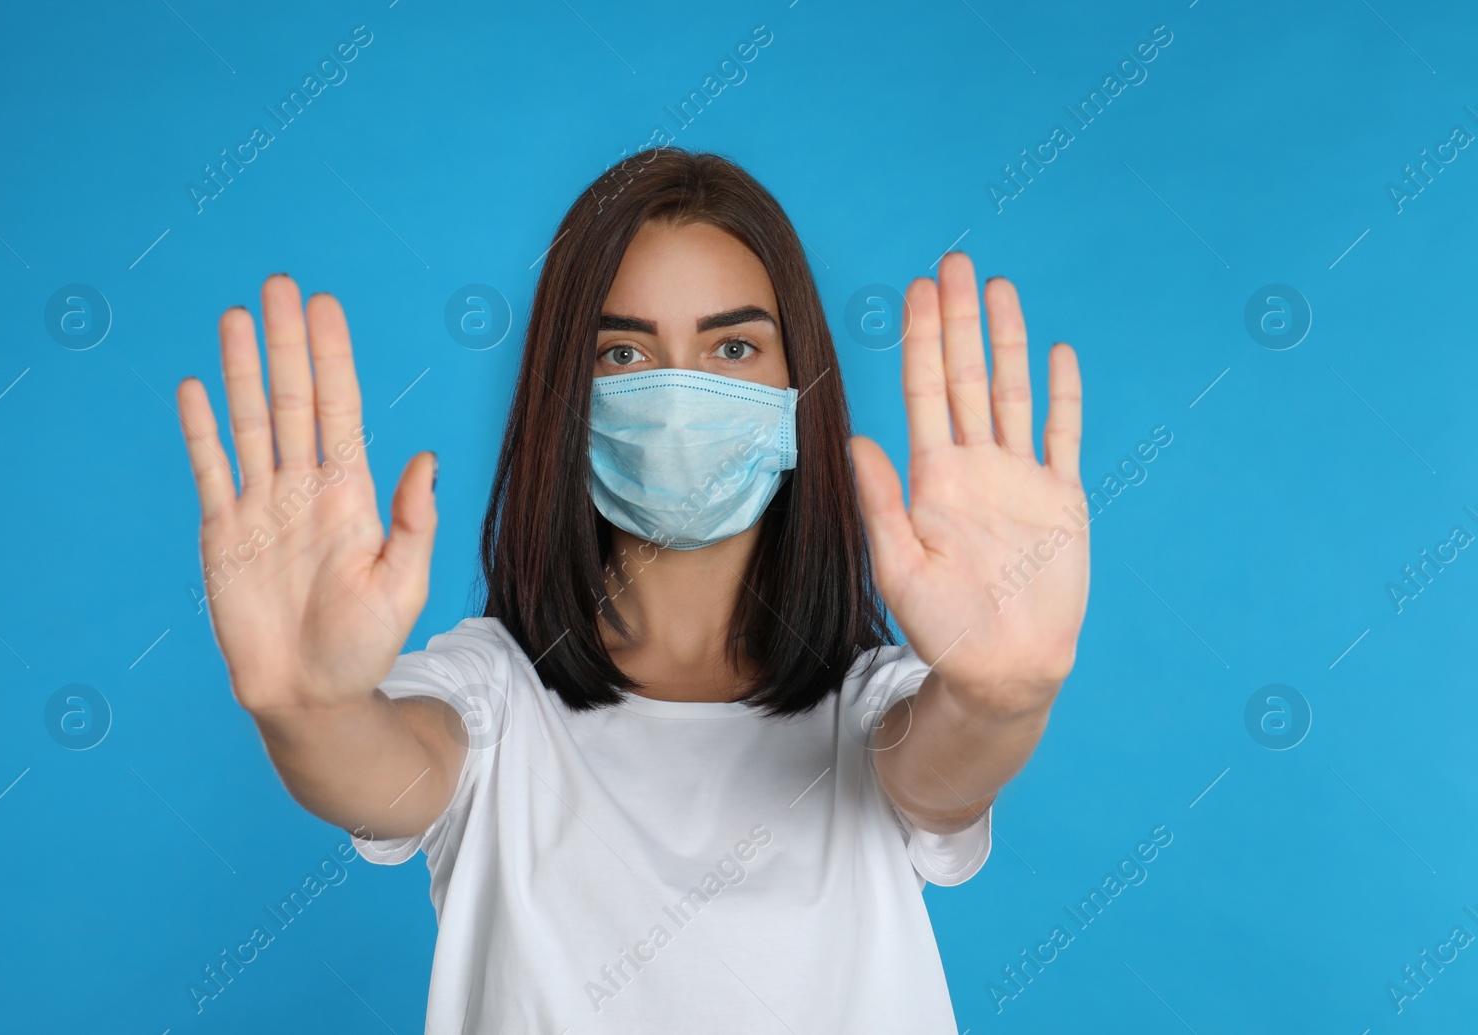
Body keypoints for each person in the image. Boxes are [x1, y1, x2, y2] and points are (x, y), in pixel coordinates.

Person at [175, 147, 1090, 1034]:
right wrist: (304, 706)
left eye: (733, 346)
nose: (681, 390)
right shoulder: (494, 691)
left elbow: (947, 763)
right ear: (563, 391)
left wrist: (1006, 694)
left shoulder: (871, 707)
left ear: (796, 385)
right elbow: (377, 770)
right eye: (623, 353)